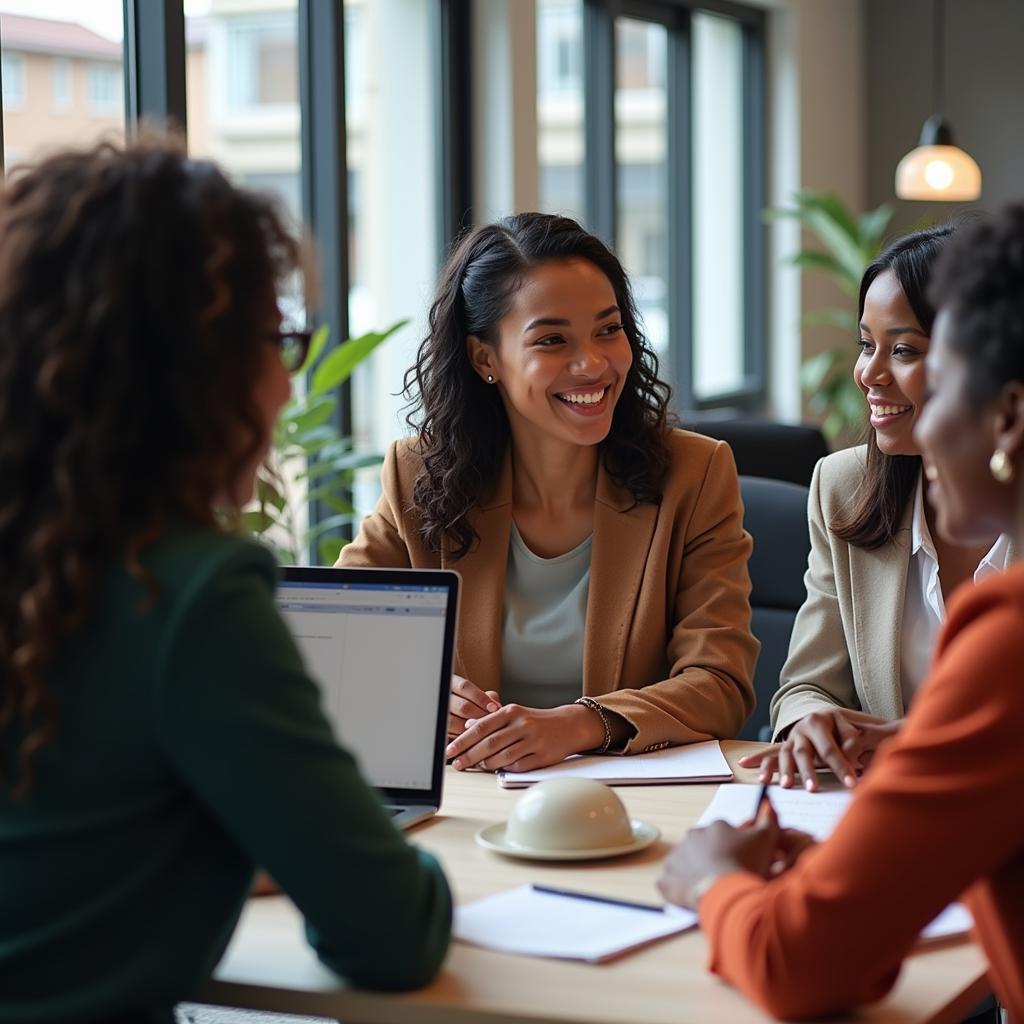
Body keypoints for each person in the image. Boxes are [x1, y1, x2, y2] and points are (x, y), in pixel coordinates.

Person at [0, 139, 451, 1024]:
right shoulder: (193, 593)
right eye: (272, 339)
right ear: (188, 371)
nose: (287, 383)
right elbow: (392, 933)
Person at [657, 202, 1024, 1020]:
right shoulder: (850, 487)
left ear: (1007, 412)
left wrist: (713, 880)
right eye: (869, 346)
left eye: (935, 377)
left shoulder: (1011, 637)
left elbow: (800, 964)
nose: (883, 388)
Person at [339, 212, 759, 773]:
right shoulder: (419, 475)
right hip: (470, 799)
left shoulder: (695, 472)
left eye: (609, 330)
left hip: (625, 809)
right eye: (553, 340)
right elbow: (340, 639)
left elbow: (720, 684)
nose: (593, 364)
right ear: (486, 359)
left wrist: (582, 724)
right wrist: (422, 692)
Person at [741, 225, 1012, 791]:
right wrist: (809, 720)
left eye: (905, 350)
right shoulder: (844, 485)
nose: (869, 373)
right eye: (867, 345)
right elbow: (802, 686)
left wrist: (914, 740)